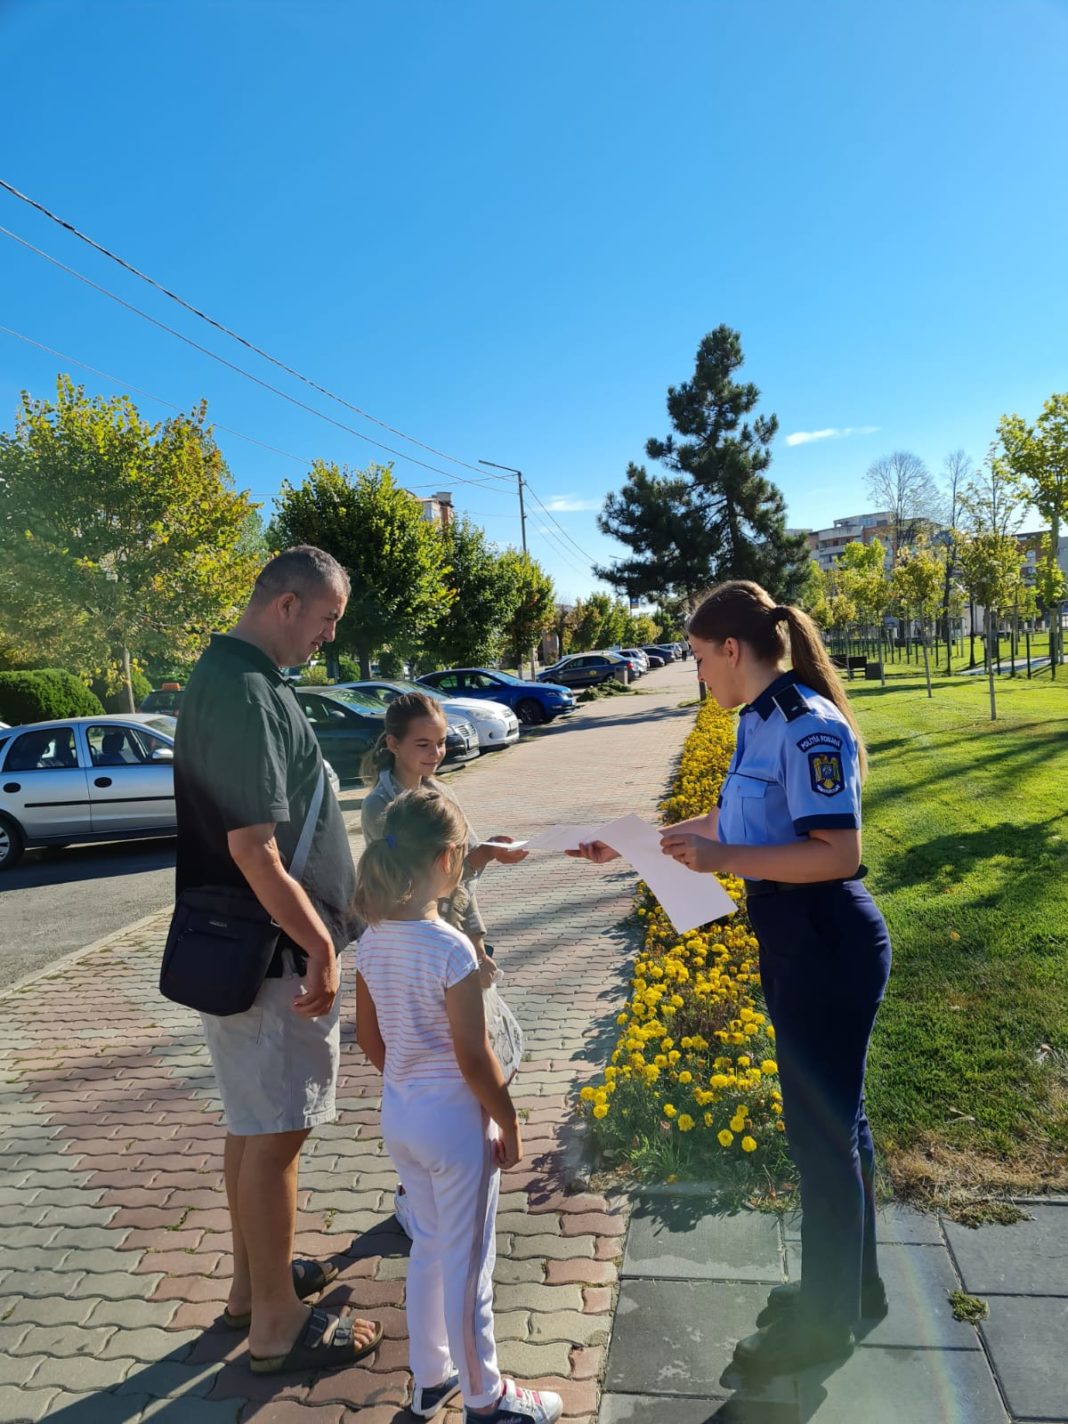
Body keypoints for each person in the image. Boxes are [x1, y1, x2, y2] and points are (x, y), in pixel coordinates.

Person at [571, 579, 892, 1377]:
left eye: (697, 659)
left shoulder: (807, 726)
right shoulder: (756, 724)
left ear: (731, 650)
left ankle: (823, 1325)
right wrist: (641, 841)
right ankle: (856, 1291)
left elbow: (838, 853)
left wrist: (726, 862)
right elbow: (730, 822)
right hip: (795, 940)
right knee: (839, 1129)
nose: (697, 676)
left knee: (822, 1140)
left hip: (828, 940)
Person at [173, 545, 381, 1376]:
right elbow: (255, 849)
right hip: (271, 959)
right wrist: (322, 944)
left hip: (246, 952)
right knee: (279, 1134)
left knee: (252, 1127)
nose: (325, 640)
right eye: (326, 621)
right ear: (287, 604)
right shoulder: (246, 688)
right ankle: (275, 1325)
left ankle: (251, 1289)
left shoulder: (230, 679)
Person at [354, 788, 563, 1424]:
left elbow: (369, 1037)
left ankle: (432, 1374)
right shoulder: (451, 949)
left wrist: (410, 1080)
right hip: (453, 1123)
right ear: (449, 860)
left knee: (429, 1247)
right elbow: (475, 1059)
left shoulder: (373, 938)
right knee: (471, 1263)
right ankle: (487, 1397)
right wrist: (510, 1121)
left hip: (402, 1117)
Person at [361, 691, 526, 1236]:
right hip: (421, 939)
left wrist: (488, 859)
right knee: (460, 1051)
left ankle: (444, 1154)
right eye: (422, 745)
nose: (434, 754)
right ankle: (417, 1187)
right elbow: (414, 876)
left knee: (478, 1047)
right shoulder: (382, 807)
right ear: (393, 745)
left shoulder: (440, 791)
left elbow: (458, 870)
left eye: (440, 743)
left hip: (454, 931)